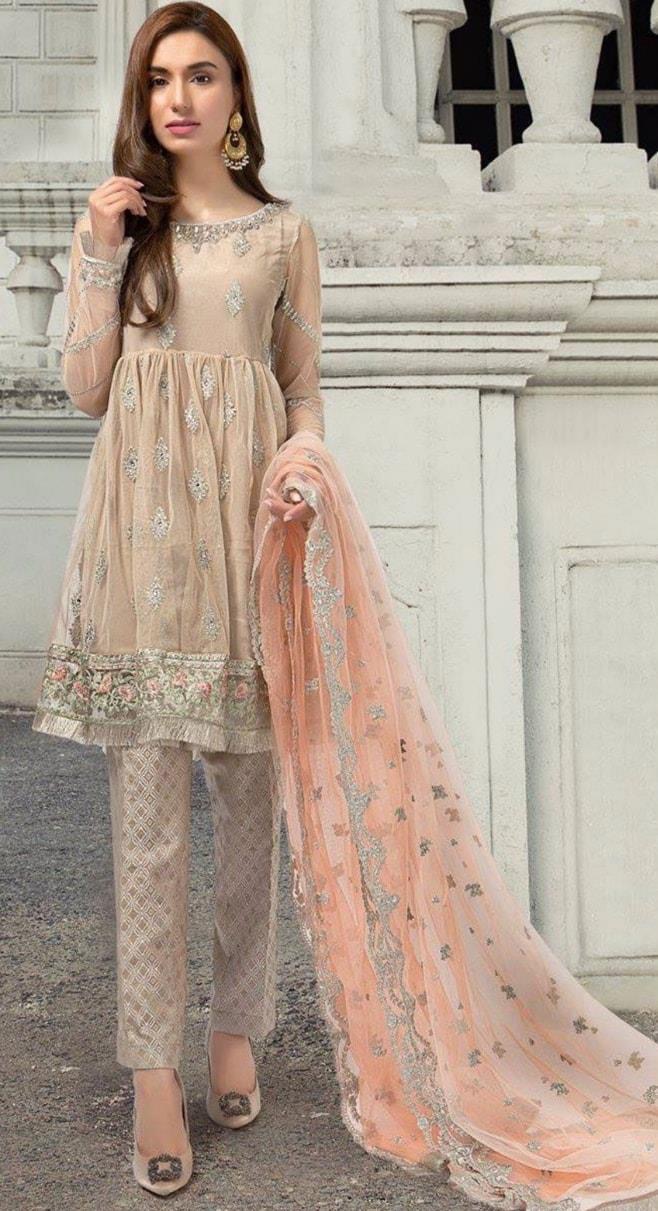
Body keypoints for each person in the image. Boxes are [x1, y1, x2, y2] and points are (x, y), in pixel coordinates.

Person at [31, 1, 321, 1195]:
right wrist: (100, 251)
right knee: (147, 824)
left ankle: (236, 1022)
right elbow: (87, 389)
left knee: (250, 808)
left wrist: (301, 462)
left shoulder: (284, 233)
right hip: (141, 560)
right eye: (160, 79)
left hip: (244, 548)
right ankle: (153, 1067)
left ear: (236, 95)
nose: (180, 98)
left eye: (202, 75)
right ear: (141, 102)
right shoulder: (123, 229)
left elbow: (301, 389)